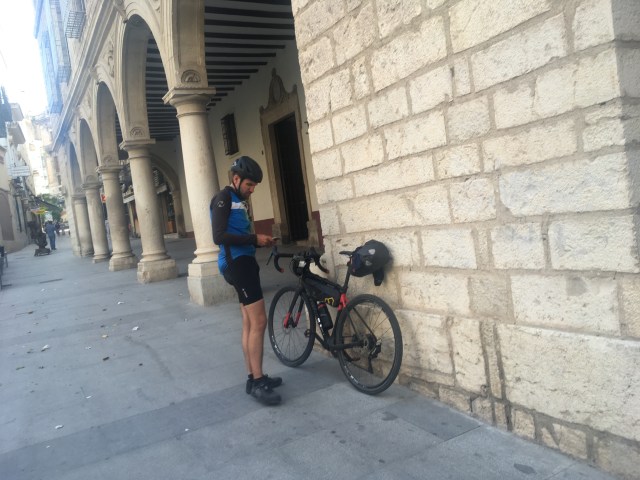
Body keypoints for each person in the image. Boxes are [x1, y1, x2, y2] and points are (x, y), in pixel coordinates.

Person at [210, 156, 282, 406]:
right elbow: (218, 236)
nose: (252, 190)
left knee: (249, 322)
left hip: (244, 262)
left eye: (254, 186)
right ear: (236, 179)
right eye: (249, 185)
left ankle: (253, 377)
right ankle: (259, 382)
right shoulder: (223, 198)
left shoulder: (237, 200)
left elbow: (237, 232)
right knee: (259, 321)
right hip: (237, 265)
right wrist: (254, 239)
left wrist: (259, 241)